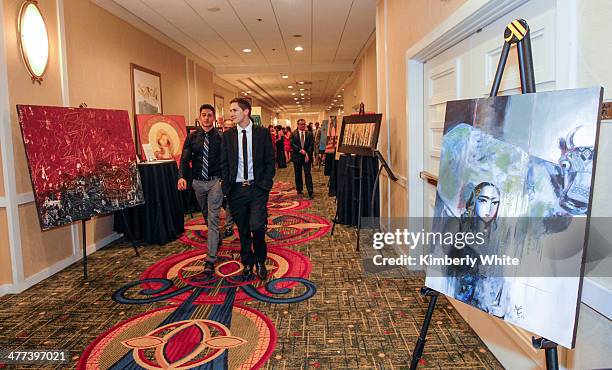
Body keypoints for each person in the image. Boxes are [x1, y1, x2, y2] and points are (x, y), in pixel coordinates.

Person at [221, 97, 275, 280]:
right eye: (230, 111)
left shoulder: (262, 133)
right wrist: (226, 187)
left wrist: (265, 185)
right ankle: (247, 263)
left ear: (246, 112)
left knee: (257, 226)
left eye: (234, 110)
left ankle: (260, 260)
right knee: (243, 229)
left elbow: (270, 161)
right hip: (236, 190)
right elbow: (224, 163)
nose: (231, 114)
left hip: (257, 188)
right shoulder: (227, 136)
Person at [178, 104, 224, 275]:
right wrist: (181, 176)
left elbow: (226, 161)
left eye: (210, 115)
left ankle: (210, 260)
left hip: (215, 183)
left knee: (212, 218)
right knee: (206, 215)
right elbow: (184, 159)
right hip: (198, 183)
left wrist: (223, 181)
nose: (206, 118)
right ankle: (217, 237)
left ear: (214, 118)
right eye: (203, 115)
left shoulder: (221, 137)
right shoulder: (192, 137)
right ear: (199, 117)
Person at [291, 118, 314, 198]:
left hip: (307, 158)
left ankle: (310, 190)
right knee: (298, 173)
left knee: (308, 173)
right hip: (297, 156)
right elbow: (292, 144)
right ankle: (299, 189)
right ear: (298, 125)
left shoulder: (310, 134)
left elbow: (311, 145)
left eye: (304, 124)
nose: (303, 126)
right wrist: (300, 151)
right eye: (301, 124)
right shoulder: (293, 134)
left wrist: (307, 153)